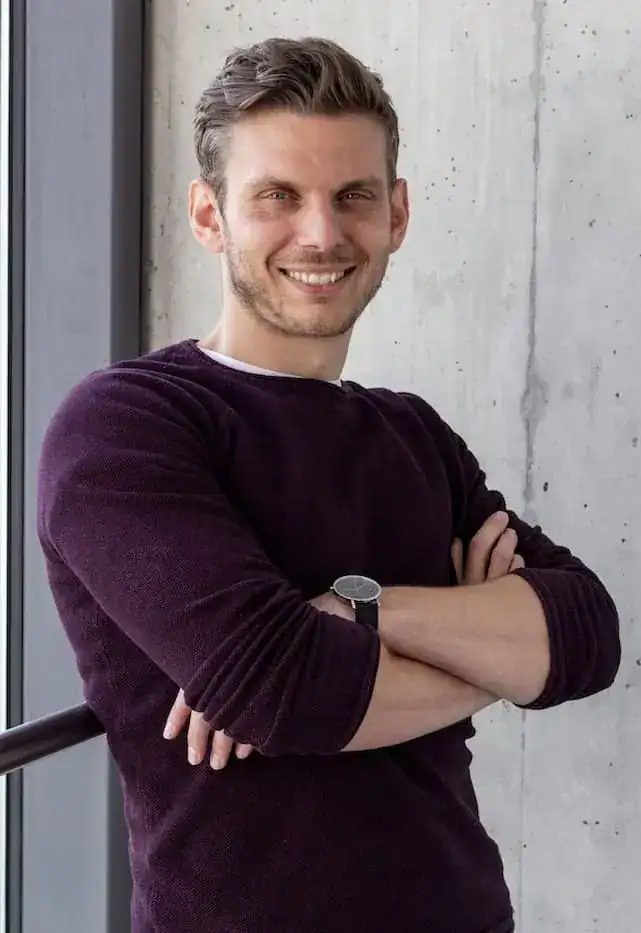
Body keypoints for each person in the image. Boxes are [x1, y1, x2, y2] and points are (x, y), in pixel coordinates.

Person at [37, 36, 620, 933]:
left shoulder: (411, 431)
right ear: (208, 215)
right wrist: (492, 655)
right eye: (277, 196)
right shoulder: (127, 425)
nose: (321, 232)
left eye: (352, 196)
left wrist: (361, 613)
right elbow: (283, 687)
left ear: (395, 214)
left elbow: (584, 633)